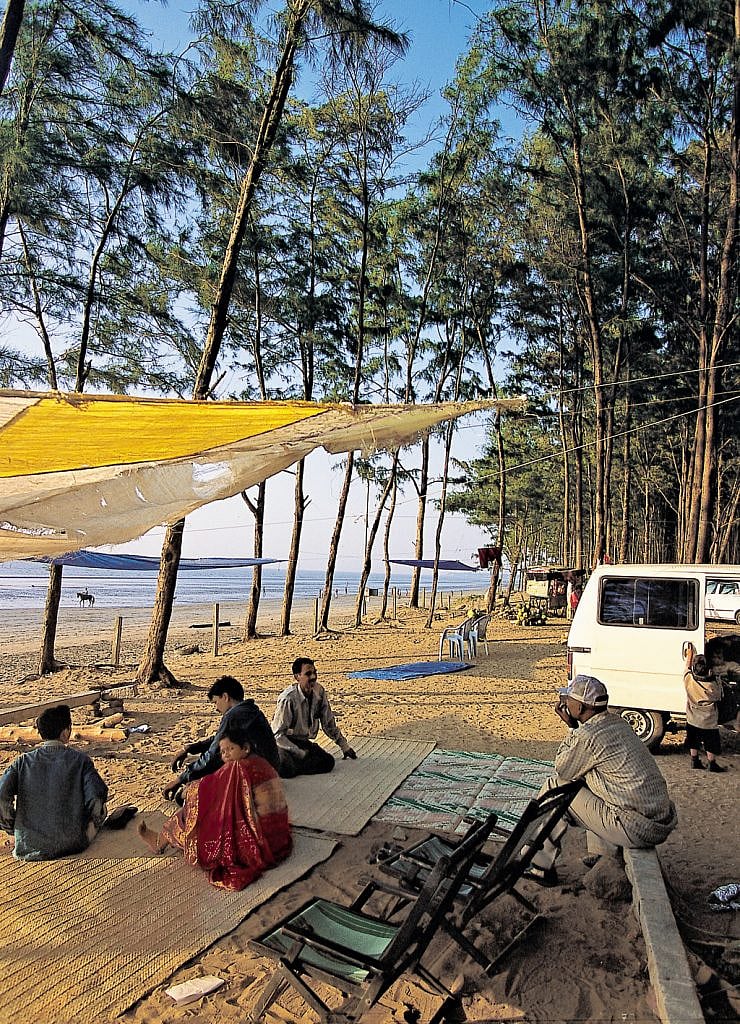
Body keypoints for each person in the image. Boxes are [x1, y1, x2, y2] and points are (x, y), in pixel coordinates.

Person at [526, 675, 678, 887]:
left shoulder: (588, 735)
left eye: (568, 698)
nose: (564, 701)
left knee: (556, 787)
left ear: (579, 708)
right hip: (657, 819)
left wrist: (572, 728)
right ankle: (601, 854)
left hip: (637, 827)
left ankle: (539, 866)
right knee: (589, 781)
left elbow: (563, 768)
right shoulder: (618, 723)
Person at [138, 722, 291, 890]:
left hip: (259, 847)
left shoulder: (238, 768)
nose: (226, 756)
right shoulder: (261, 762)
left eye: (230, 749)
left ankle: (160, 842)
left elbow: (205, 790)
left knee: (190, 815)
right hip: (279, 840)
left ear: (245, 748)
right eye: (223, 752)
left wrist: (187, 792)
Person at [0, 704, 136, 861]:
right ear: (65, 733)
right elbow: (96, 795)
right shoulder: (80, 760)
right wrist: (97, 819)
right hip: (74, 842)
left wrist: (12, 828)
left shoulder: (22, 762)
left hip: (28, 844)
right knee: (97, 815)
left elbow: (2, 795)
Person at [164, 675, 279, 801]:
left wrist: (180, 779)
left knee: (188, 794)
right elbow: (219, 738)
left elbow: (212, 754)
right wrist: (190, 748)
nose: (216, 708)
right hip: (270, 774)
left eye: (215, 702)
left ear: (225, 697)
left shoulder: (234, 715)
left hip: (258, 781)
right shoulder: (250, 710)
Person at [271, 657, 357, 778]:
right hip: (285, 743)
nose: (313, 677)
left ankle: (298, 765)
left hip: (303, 741)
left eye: (314, 672)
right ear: (297, 677)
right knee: (286, 768)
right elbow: (278, 735)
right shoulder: (288, 699)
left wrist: (344, 746)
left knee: (328, 762)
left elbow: (328, 724)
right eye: (308, 674)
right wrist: (299, 752)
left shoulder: (319, 691)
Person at [683, 643, 726, 772]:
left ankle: (694, 761)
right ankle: (712, 763)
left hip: (692, 718)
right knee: (710, 742)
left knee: (693, 739)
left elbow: (686, 668)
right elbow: (720, 696)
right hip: (708, 721)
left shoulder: (688, 679)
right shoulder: (712, 686)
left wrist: (689, 656)